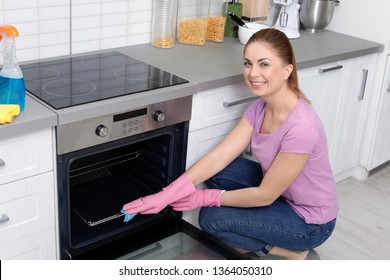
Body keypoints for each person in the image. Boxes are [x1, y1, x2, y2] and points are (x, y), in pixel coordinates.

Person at [122, 28, 339, 260]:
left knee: (211, 219)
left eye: (264, 64)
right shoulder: (260, 108)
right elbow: (219, 156)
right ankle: (265, 225)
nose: (253, 73)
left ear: (287, 70)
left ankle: (293, 253)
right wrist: (165, 195)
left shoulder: (302, 128)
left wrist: (208, 197)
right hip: (282, 195)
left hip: (310, 221)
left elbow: (265, 195)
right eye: (248, 63)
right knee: (223, 170)